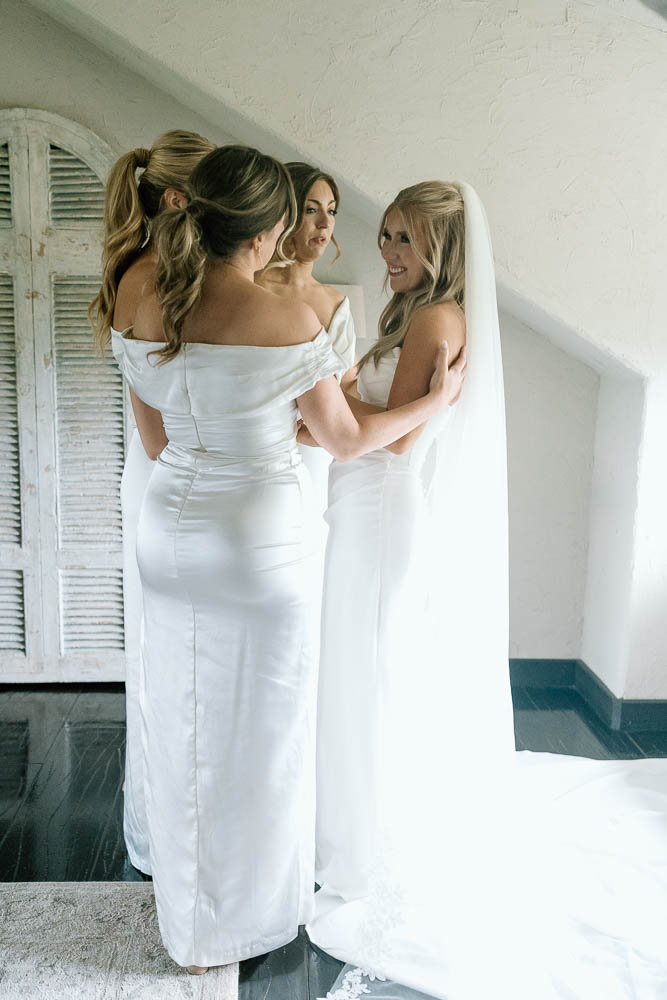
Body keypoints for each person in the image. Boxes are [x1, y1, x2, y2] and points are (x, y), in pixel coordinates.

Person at [308, 181, 667, 1000]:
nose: (389, 251)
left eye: (407, 240)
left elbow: (392, 448)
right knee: (370, 665)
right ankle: (358, 812)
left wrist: (331, 425)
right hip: (372, 510)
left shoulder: (435, 319)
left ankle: (369, 831)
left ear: (445, 250)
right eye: (388, 235)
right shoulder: (421, 313)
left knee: (372, 666)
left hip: (378, 513)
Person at [111, 145, 465, 973]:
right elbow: (344, 443)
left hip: (168, 530)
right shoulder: (289, 320)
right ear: (269, 230)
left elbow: (156, 441)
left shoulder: (135, 289)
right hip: (262, 541)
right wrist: (434, 398)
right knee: (261, 731)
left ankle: (185, 910)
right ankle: (248, 920)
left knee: (180, 709)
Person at [90, 130, 215, 877]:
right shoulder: (147, 279)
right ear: (177, 200)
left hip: (177, 472)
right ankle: (171, 825)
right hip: (169, 477)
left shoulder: (180, 272)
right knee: (173, 656)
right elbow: (161, 434)